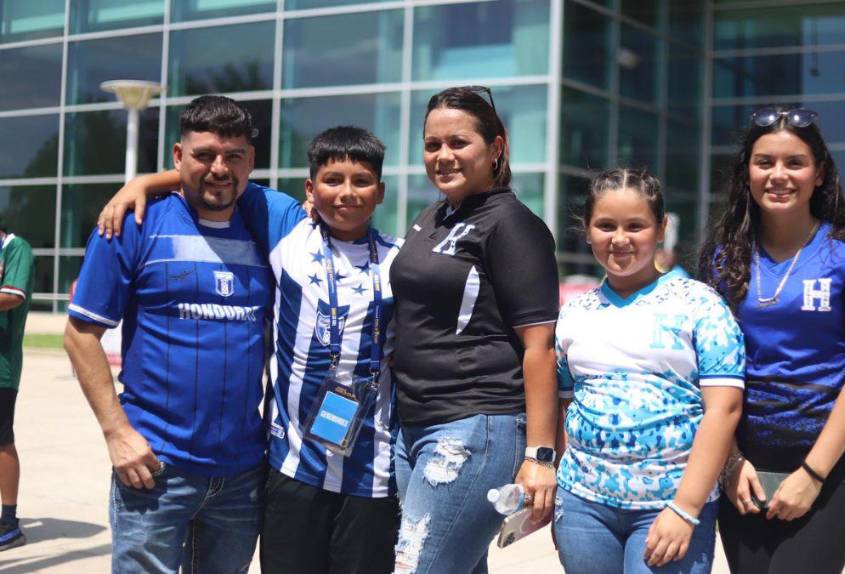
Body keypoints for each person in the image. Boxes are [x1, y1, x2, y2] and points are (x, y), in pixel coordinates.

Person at [97, 126, 403, 573]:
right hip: (292, 467)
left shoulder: (401, 259)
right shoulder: (285, 225)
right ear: (310, 189)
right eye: (332, 180)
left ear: (381, 191)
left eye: (361, 182)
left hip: (372, 472)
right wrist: (142, 183)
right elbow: (220, 176)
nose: (346, 193)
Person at [64, 95, 272, 573]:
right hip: (154, 467)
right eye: (203, 156)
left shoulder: (266, 226)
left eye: (233, 156)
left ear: (250, 161)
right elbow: (80, 334)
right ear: (178, 157)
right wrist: (117, 434)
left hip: (241, 474)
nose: (219, 168)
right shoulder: (132, 223)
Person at [698, 107, 845, 574]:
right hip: (741, 467)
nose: (778, 175)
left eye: (794, 163)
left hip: (825, 466)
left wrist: (812, 474)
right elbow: (705, 368)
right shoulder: (720, 255)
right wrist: (729, 462)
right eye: (765, 162)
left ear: (819, 173)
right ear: (747, 171)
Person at [388, 86, 561, 573]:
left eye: (458, 143)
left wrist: (541, 457)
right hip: (415, 425)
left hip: (473, 426)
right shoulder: (433, 217)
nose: (443, 156)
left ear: (496, 147)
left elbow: (540, 347)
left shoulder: (512, 225)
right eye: (432, 145)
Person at [554, 169, 744, 574]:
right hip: (584, 508)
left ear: (661, 229)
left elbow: (723, 410)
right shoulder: (573, 313)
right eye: (605, 225)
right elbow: (565, 406)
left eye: (635, 226)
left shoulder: (701, 305)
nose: (619, 239)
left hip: (670, 507)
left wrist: (686, 509)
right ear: (587, 230)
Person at [0, 225, 33, 552]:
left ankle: (9, 522)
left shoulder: (15, 247)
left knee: (1, 439)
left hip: (2, 368)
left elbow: (13, 296)